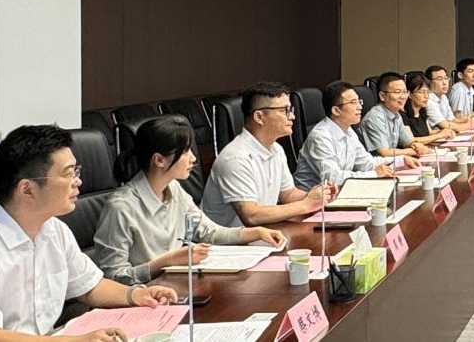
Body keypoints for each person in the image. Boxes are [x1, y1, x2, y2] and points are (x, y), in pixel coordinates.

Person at [0, 125, 178, 340]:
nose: (78, 181)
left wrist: (136, 295)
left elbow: (89, 285)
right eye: (68, 174)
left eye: (76, 171)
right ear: (27, 189)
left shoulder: (54, 230)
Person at [91, 118, 287, 285]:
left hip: (175, 287)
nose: (193, 158)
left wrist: (256, 233)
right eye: (185, 152)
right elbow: (112, 277)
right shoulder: (121, 207)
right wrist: (165, 262)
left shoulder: (174, 189)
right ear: (159, 160)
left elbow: (209, 232)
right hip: (142, 298)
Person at [201, 82, 335, 227]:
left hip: (262, 233)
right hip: (229, 240)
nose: (292, 116)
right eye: (284, 110)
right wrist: (306, 204)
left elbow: (288, 194)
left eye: (291, 110)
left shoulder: (276, 149)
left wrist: (317, 196)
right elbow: (251, 216)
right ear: (259, 117)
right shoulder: (235, 158)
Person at [294, 81, 420, 191]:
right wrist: (374, 174)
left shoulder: (348, 131)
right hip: (311, 199)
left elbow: (366, 163)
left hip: (339, 193)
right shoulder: (320, 136)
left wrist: (400, 160)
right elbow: (332, 178)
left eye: (359, 101)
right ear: (336, 110)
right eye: (353, 102)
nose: (360, 107)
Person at [362, 73, 431, 158]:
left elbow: (407, 141)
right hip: (377, 164)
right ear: (382, 96)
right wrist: (413, 151)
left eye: (405, 92)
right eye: (397, 92)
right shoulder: (375, 117)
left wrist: (415, 145)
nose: (403, 97)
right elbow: (385, 153)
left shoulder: (396, 114)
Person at [402, 72, 454, 144]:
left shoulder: (422, 111)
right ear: (410, 94)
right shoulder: (403, 115)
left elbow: (429, 132)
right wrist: (439, 135)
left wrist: (445, 132)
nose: (426, 96)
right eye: (421, 92)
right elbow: (410, 140)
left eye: (428, 92)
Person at [425, 65, 471, 132]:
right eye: (439, 79)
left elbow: (452, 120)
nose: (444, 83)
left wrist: (469, 119)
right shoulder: (428, 100)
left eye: (446, 78)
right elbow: (445, 125)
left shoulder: (443, 97)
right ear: (429, 82)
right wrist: (470, 125)